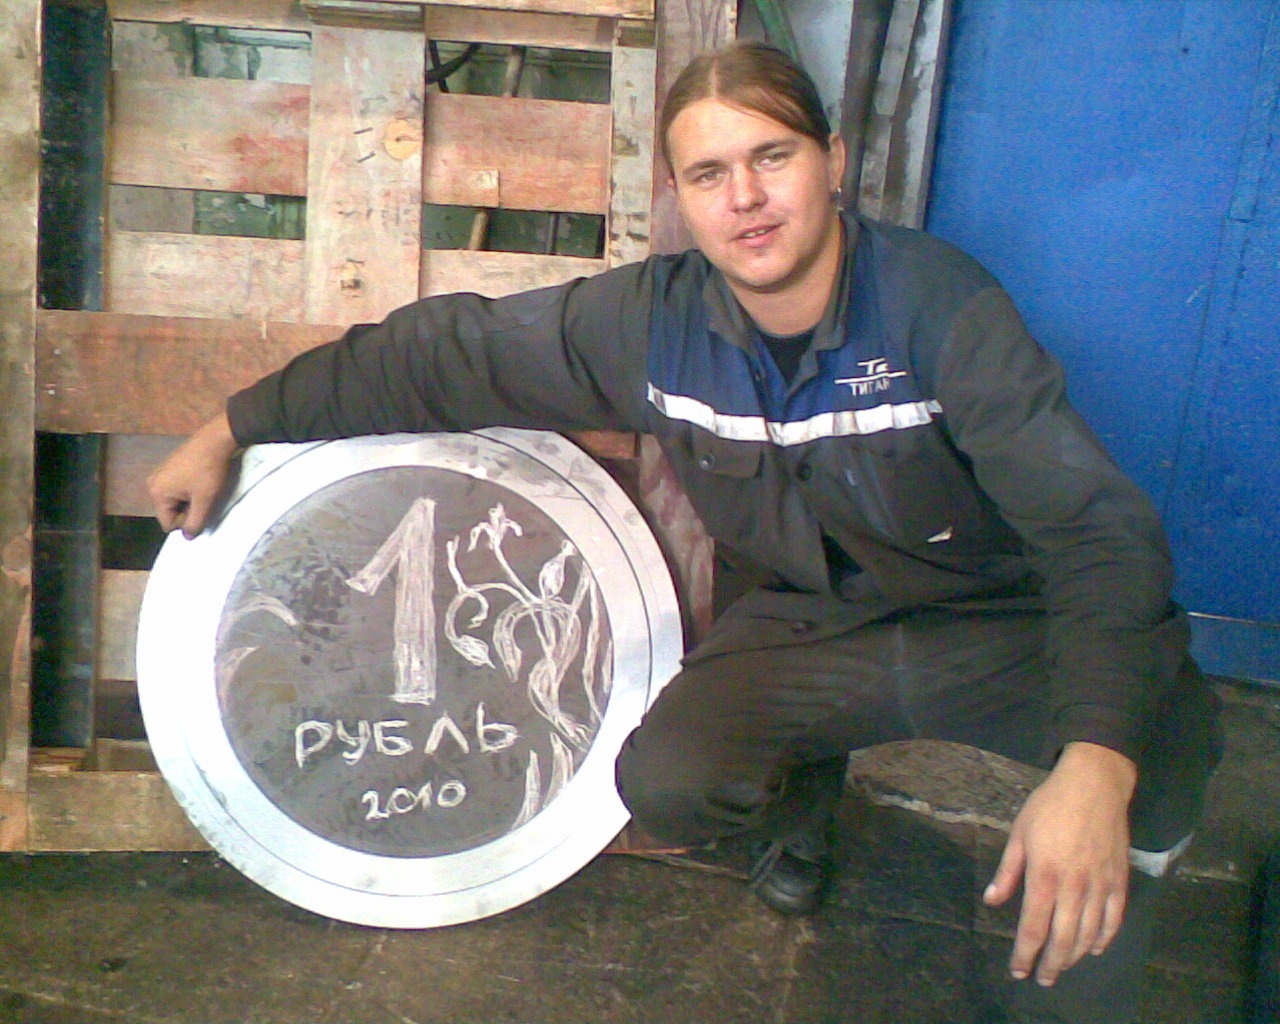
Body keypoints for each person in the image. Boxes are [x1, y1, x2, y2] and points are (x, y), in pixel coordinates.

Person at [149, 41, 1221, 1022]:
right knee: (669, 777)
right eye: (709, 174)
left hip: (992, 621)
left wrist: (1092, 765)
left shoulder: (940, 307)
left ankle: (1116, 876)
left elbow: (1098, 533)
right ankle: (805, 795)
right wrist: (236, 424)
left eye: (772, 157)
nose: (744, 198)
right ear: (678, 196)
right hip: (813, 626)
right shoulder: (653, 326)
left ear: (834, 162)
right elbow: (445, 353)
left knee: (1155, 734)